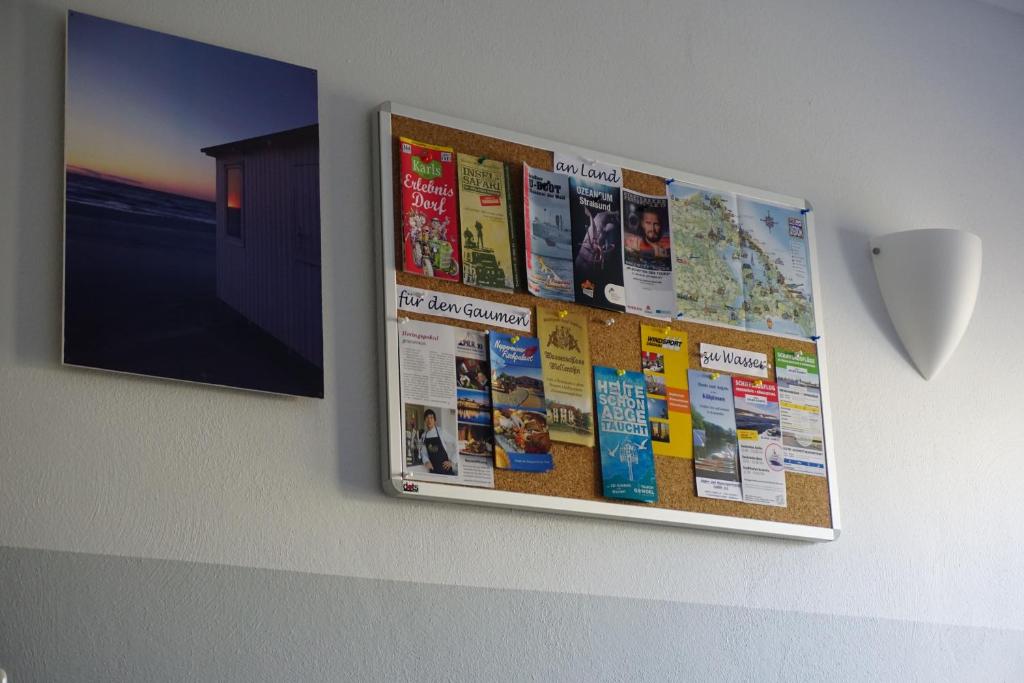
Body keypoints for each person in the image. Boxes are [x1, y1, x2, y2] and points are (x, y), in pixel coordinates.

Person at [418, 409, 456, 475]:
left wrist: (452, 461)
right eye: (427, 418)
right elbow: (423, 452)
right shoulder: (423, 435)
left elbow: (456, 442)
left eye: (431, 418)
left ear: (435, 421)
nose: (429, 420)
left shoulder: (441, 432)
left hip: (446, 471)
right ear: (424, 421)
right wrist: (426, 461)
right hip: (433, 471)